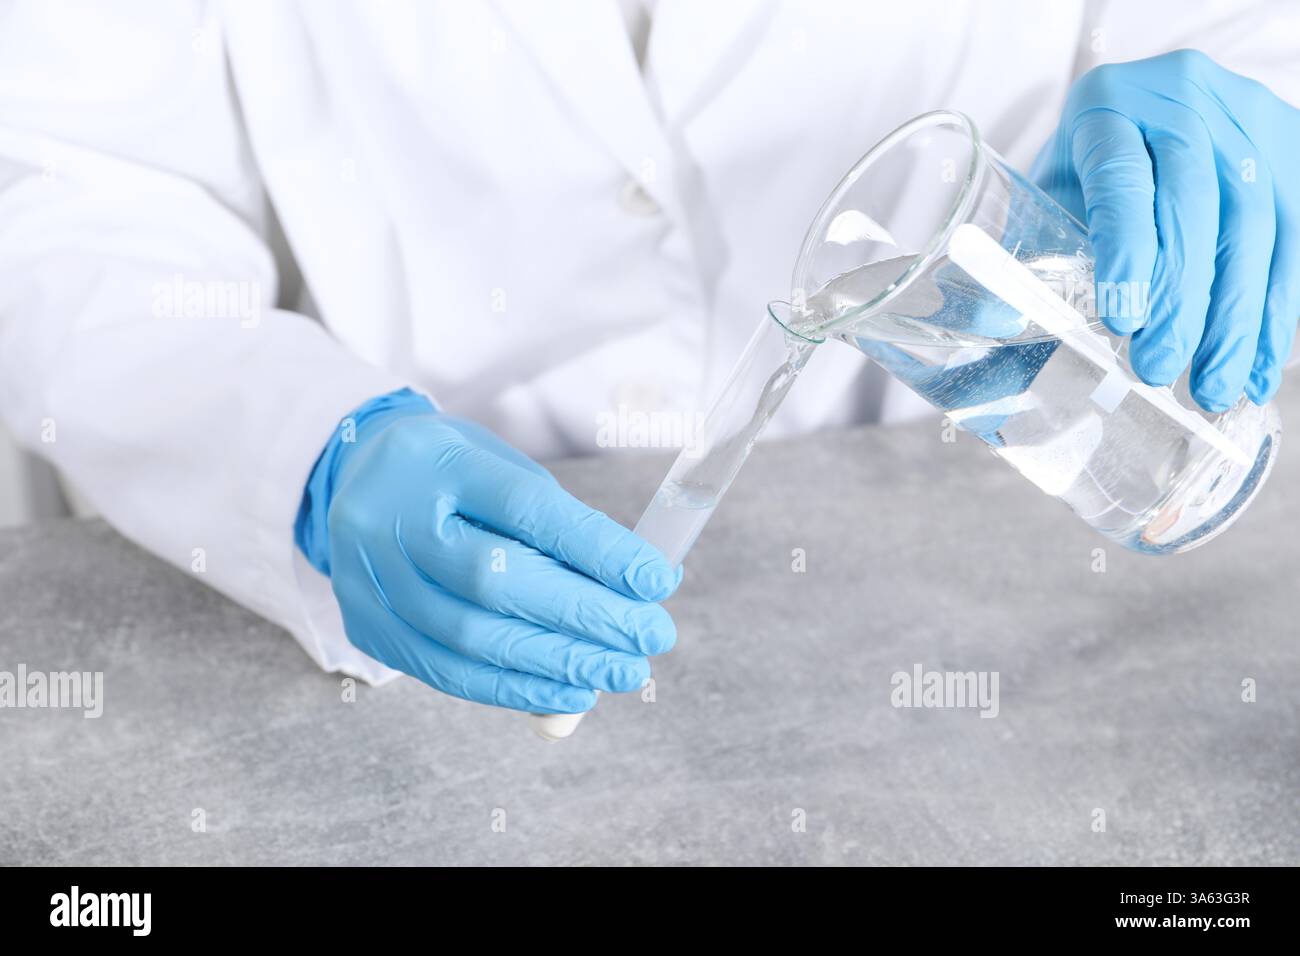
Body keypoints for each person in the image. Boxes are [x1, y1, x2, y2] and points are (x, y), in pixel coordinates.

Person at [1, 1, 1296, 718]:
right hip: (459, 548)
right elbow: (67, 193)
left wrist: (1256, 100)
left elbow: (1248, 29)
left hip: (987, 505)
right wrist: (306, 460)